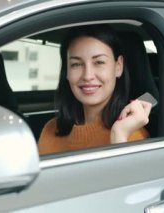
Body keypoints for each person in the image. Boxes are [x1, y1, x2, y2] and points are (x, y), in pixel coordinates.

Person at [38, 24, 152, 155]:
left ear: (118, 66)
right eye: (76, 64)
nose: (87, 76)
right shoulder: (50, 129)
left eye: (99, 62)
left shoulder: (131, 135)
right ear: (66, 72)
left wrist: (118, 136)